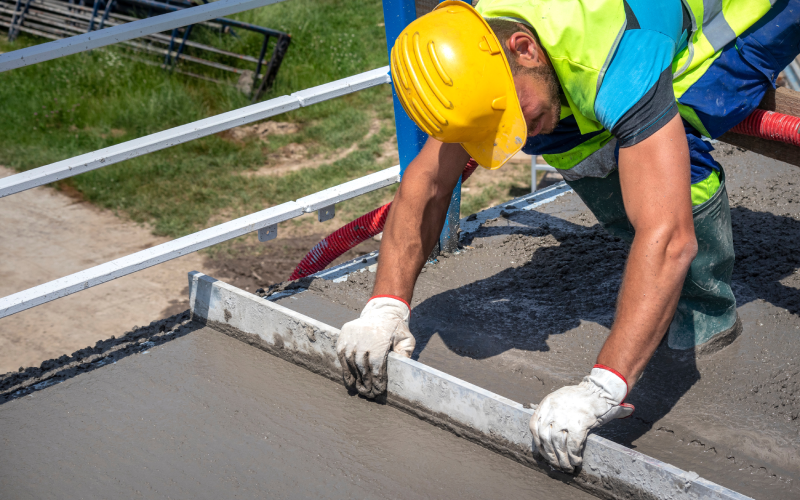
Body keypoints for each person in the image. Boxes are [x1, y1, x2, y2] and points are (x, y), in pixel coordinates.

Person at [335, 0, 800, 472]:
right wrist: (385, 308)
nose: (514, 136)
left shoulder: (616, 64)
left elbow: (670, 236)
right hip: (627, 38)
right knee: (549, 120)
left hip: (748, 13)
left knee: (680, 150)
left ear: (526, 49)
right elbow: (430, 181)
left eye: (509, 112)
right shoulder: (486, 50)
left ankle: (706, 313)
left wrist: (603, 387)